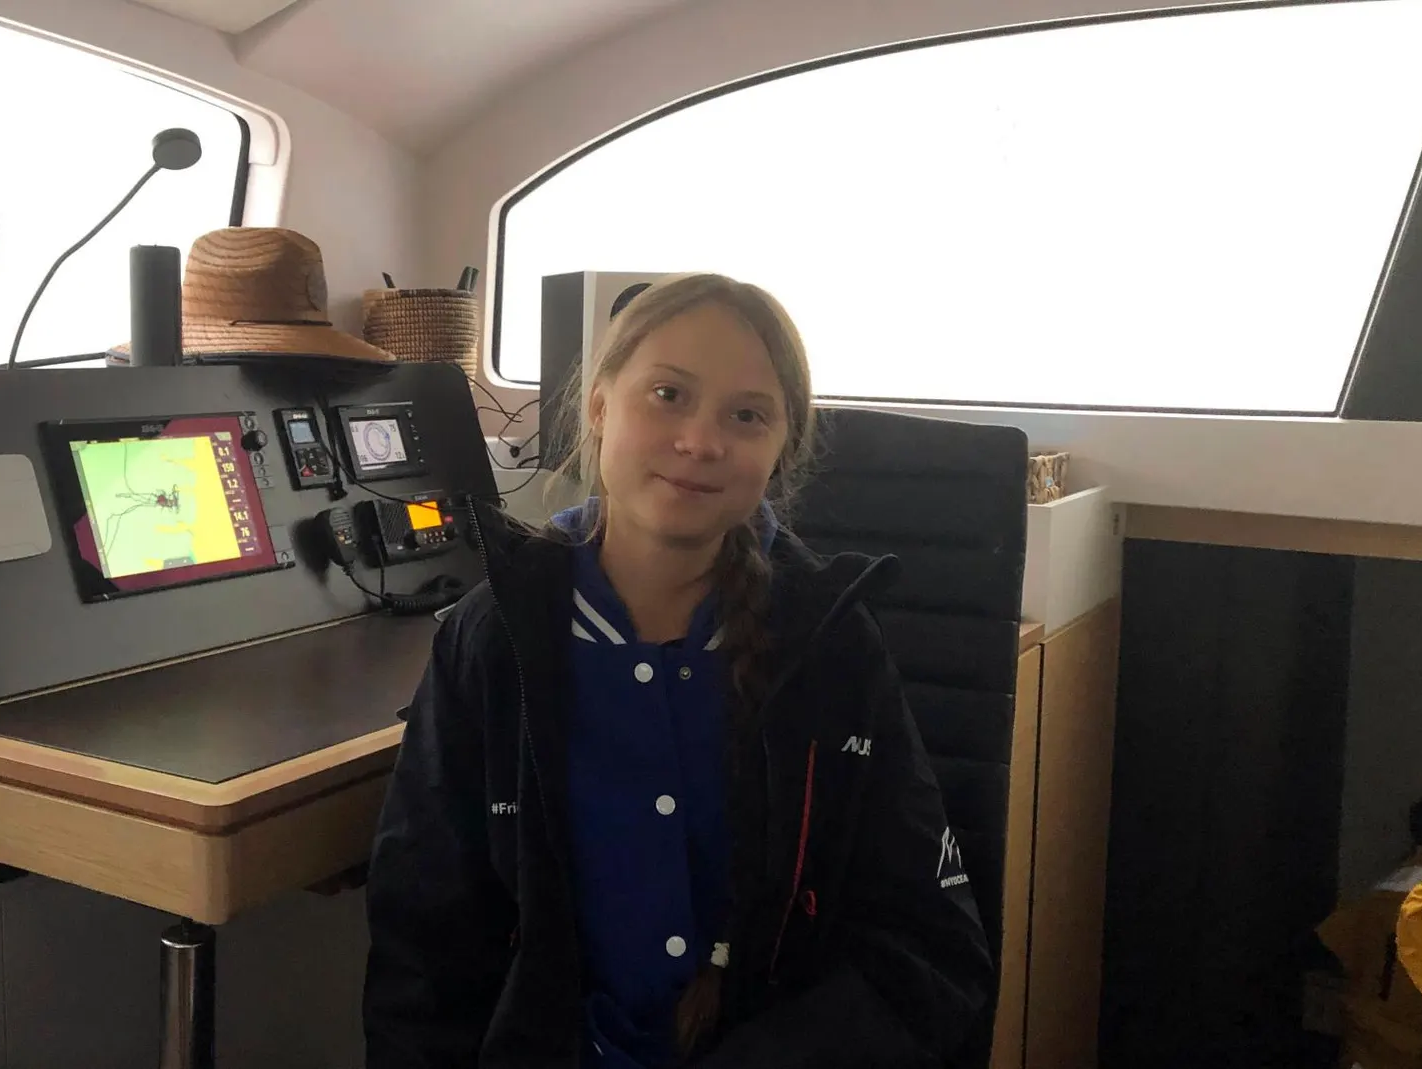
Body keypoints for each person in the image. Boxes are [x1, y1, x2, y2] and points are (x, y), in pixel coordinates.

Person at [363, 272, 994, 1068]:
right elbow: (423, 948)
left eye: (746, 415)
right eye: (667, 394)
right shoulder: (495, 641)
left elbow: (930, 953)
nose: (701, 441)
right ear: (598, 406)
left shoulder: (830, 644)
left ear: (781, 446)